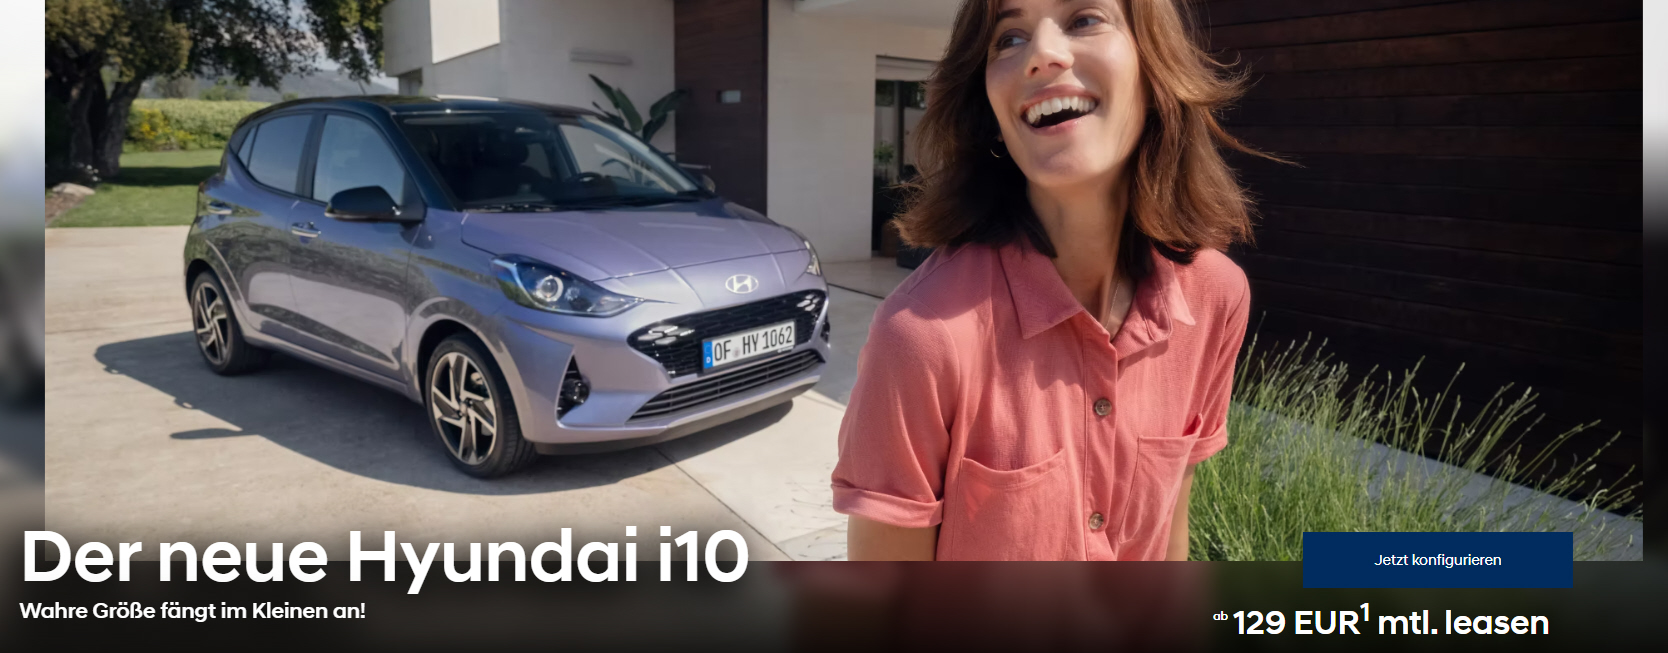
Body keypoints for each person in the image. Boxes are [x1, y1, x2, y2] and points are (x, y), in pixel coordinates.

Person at [831, 0, 1278, 560]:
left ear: (1154, 68)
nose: (1041, 53)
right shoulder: (919, 337)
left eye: (1085, 19)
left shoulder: (1217, 295)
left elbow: (1169, 535)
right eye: (1008, 38)